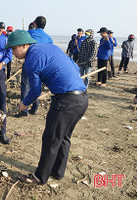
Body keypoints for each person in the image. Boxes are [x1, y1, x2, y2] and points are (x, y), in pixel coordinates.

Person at [5, 30, 88, 185]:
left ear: (24, 45)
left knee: (50, 139)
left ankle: (39, 176)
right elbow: (74, 68)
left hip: (66, 101)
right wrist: (58, 81)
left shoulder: (30, 61)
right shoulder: (51, 47)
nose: (13, 53)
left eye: (14, 49)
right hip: (81, 98)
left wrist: (24, 103)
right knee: (63, 137)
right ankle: (58, 171)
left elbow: (35, 91)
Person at [17, 16, 53, 117]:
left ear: (35, 24)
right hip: (44, 66)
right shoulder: (48, 37)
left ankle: (24, 110)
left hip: (31, 63)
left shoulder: (30, 33)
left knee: (25, 84)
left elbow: (22, 42)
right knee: (37, 85)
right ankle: (35, 107)